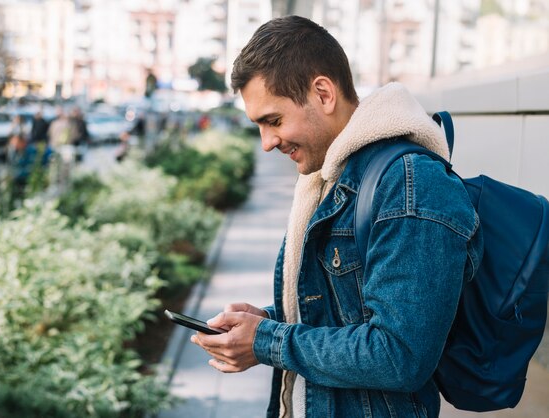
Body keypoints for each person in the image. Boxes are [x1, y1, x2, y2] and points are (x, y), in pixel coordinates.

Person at [191, 15, 483, 418]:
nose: (266, 143)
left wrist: (268, 341)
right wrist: (270, 321)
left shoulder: (410, 184)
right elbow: (348, 312)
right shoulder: (332, 176)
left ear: (324, 93)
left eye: (273, 121)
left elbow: (400, 355)